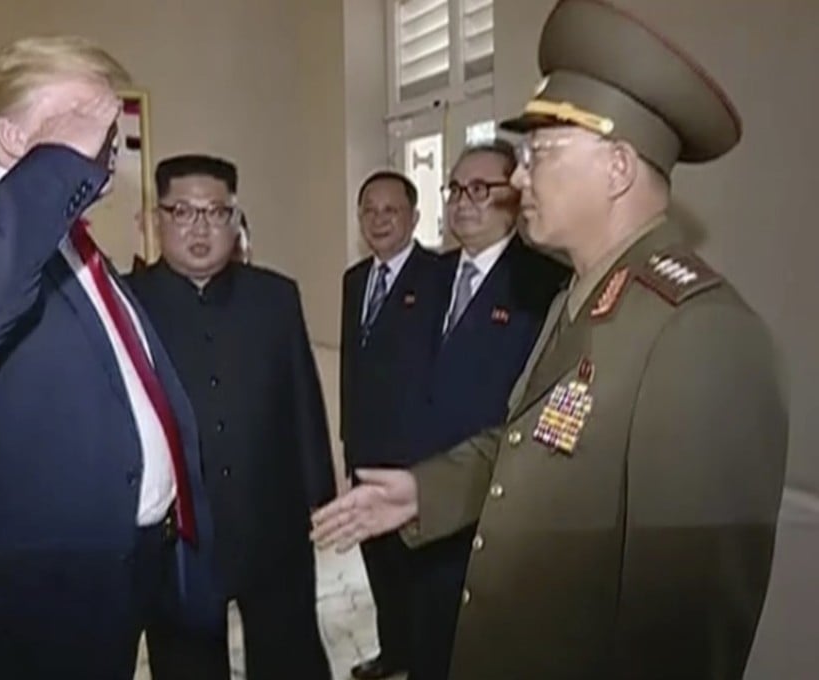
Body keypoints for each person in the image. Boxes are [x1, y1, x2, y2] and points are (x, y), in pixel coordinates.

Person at [311, 1, 788, 678]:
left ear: (617, 168)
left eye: (540, 154)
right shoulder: (581, 296)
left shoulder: (700, 332)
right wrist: (425, 492)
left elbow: (685, 630)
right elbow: (528, 450)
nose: (517, 177)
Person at [0, 36, 218, 680]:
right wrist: (58, 161)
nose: (105, 141)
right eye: (81, 118)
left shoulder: (77, 248)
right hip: (28, 606)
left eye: (108, 123)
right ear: (9, 137)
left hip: (128, 572)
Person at [129, 154, 334, 680]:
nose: (200, 229)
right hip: (178, 534)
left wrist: (320, 493)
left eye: (216, 213)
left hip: (272, 521)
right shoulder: (130, 303)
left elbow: (302, 397)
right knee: (186, 664)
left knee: (290, 656)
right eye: (182, 212)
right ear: (156, 219)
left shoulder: (275, 296)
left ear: (236, 219)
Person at [407, 143, 567, 680]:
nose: (462, 202)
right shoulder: (428, 276)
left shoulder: (545, 283)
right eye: (455, 189)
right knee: (428, 641)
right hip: (425, 496)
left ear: (515, 195)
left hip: (493, 500)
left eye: (480, 189)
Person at [340, 170, 448, 680]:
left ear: (414, 216)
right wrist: (348, 444)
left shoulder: (440, 277)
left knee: (417, 570)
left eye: (391, 211)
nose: (379, 220)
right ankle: (394, 651)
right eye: (369, 210)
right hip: (366, 452)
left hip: (414, 459)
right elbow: (352, 367)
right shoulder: (355, 280)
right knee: (378, 563)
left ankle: (425, 661)